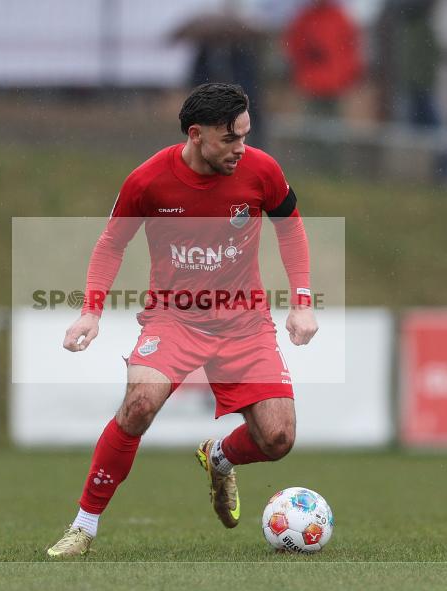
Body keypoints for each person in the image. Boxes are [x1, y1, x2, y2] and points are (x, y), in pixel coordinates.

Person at [46, 83, 318, 557]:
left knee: (278, 438)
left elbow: (290, 225)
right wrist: (90, 311)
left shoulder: (262, 170)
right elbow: (112, 243)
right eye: (230, 139)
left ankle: (219, 457)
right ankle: (83, 527)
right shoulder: (148, 181)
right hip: (174, 319)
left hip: (243, 322)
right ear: (196, 134)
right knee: (138, 406)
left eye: (246, 136)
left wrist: (302, 300)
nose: (241, 149)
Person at [283, 0, 363, 117]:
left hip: (336, 88)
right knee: (311, 127)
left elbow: (351, 51)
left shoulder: (340, 18)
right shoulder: (304, 19)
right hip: (310, 87)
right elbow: (294, 50)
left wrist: (347, 78)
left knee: (337, 128)